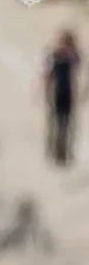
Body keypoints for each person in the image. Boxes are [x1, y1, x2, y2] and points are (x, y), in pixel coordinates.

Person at [48, 31, 81, 165]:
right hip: (58, 92)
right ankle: (56, 151)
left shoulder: (71, 56)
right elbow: (48, 74)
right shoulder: (55, 55)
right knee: (58, 122)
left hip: (67, 92)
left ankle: (63, 151)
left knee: (65, 123)